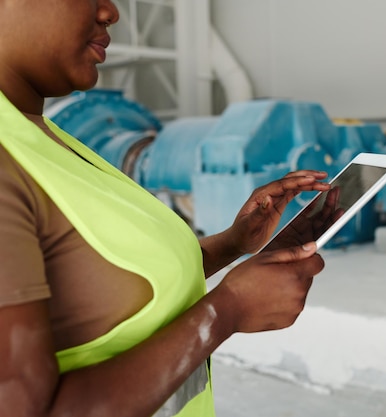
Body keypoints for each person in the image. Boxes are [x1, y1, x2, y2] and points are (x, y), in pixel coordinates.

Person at [0, 1, 334, 416]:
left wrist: (233, 243)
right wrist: (226, 311)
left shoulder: (40, 135)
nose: (111, 12)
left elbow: (109, 284)